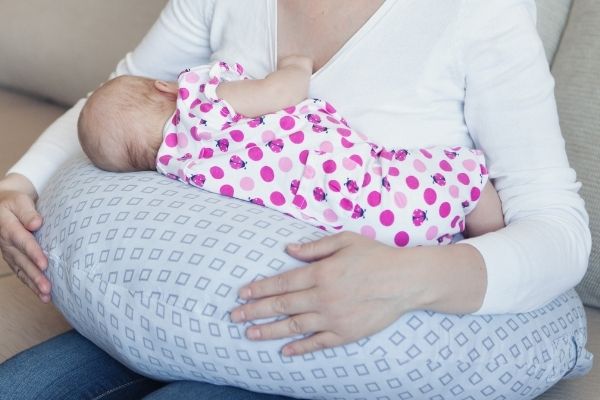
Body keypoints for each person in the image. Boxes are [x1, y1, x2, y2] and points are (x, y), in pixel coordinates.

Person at [0, 0, 591, 399]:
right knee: (22, 386)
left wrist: (412, 277)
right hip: (194, 297)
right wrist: (17, 185)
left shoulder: (476, 13)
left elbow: (557, 227)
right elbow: (115, 98)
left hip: (352, 331)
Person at [77, 57, 504, 246]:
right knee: (467, 180)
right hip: (361, 180)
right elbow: (283, 91)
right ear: (164, 87)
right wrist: (296, 65)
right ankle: (492, 242)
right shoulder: (199, 106)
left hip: (356, 226)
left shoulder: (181, 169)